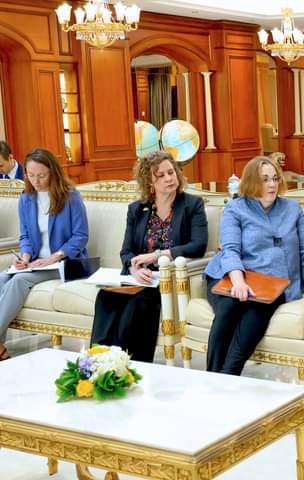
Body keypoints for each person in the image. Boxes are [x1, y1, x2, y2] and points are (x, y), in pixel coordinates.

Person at [204, 156, 304, 375]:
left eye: (275, 178)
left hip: (272, 283)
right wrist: (239, 282)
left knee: (256, 313)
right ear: (251, 182)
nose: (272, 184)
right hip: (230, 275)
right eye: (265, 180)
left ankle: (229, 376)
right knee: (228, 309)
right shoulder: (235, 208)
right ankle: (212, 377)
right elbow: (230, 249)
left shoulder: (292, 209)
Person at [90, 151, 208, 362]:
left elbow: (198, 246)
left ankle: (131, 364)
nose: (169, 178)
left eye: (171, 172)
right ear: (149, 182)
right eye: (160, 175)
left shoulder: (192, 205)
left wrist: (158, 256)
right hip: (140, 278)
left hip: (168, 279)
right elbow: (126, 251)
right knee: (106, 297)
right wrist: (134, 268)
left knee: (137, 303)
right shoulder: (137, 209)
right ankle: (100, 363)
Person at [0, 148, 88, 360]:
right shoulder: (26, 198)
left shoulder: (70, 196)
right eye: (31, 175)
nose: (36, 181)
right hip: (35, 263)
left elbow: (81, 236)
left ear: (52, 172)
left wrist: (53, 257)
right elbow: (25, 236)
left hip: (65, 263)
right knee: (2, 278)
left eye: (41, 176)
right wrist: (25, 256)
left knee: (18, 281)